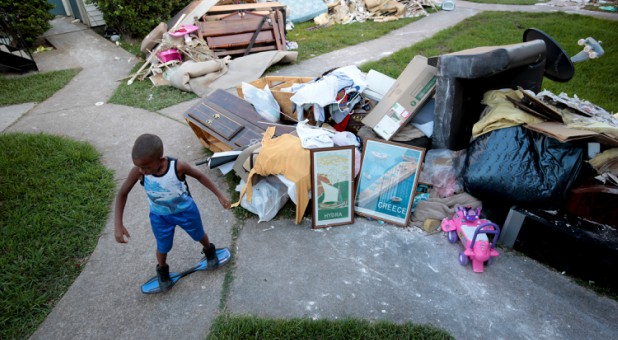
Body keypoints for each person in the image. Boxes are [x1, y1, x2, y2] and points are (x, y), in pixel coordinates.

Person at [114, 133, 230, 292]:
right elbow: (122, 194)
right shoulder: (138, 172)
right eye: (139, 167)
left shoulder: (178, 166)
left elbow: (200, 176)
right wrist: (118, 224)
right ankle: (162, 271)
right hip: (159, 217)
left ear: (160, 159)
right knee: (162, 246)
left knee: (198, 234)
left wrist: (220, 195)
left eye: (147, 167)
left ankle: (210, 252)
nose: (142, 170)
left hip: (186, 211)